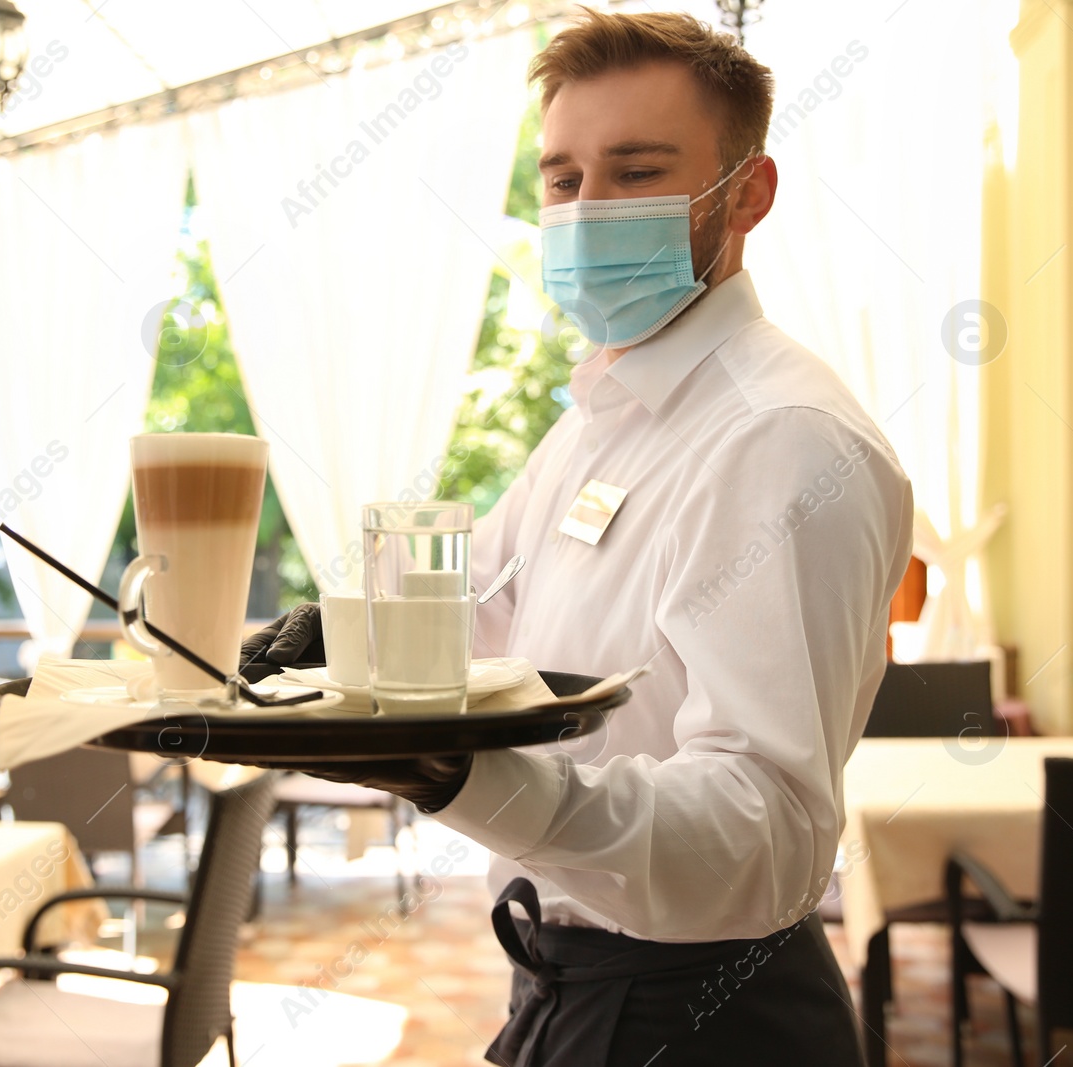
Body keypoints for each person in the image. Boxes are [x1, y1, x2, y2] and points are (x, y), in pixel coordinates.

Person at [243, 11, 912, 1065]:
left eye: (636, 171)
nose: (586, 210)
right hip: (574, 986)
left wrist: (455, 775)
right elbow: (496, 615)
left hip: (701, 1017)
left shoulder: (780, 436)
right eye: (562, 179)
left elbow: (765, 832)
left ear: (749, 192)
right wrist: (349, 637)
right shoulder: (598, 416)